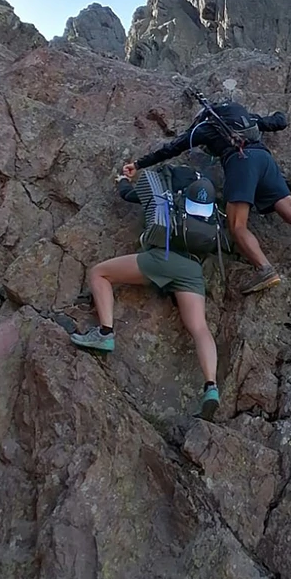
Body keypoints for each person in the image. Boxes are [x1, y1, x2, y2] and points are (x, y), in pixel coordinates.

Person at [122, 97, 291, 295]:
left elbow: (173, 148)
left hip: (240, 162)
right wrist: (283, 110)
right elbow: (279, 121)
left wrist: (139, 164)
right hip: (265, 160)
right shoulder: (246, 119)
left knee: (236, 225)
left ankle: (264, 270)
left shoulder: (204, 127)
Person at [70, 167, 222, 421]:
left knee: (99, 273)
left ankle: (105, 333)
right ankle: (211, 387)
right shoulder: (214, 215)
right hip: (192, 270)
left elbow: (129, 195)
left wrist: (121, 181)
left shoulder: (168, 199)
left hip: (160, 259)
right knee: (199, 328)